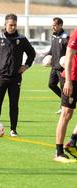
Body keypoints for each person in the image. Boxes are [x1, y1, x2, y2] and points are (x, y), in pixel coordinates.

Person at [0, 13, 35, 137]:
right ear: (5, 25)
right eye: (10, 25)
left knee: (14, 104)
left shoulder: (22, 39)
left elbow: (32, 53)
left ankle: (13, 129)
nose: (12, 27)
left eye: (15, 25)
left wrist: (26, 66)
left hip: (15, 77)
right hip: (1, 77)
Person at [54, 28, 77, 162]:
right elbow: (68, 57)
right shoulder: (76, 33)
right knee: (66, 114)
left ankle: (73, 141)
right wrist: (68, 81)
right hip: (72, 78)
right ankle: (58, 152)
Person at [46, 17, 69, 114]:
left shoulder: (66, 37)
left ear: (60, 25)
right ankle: (64, 101)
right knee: (51, 84)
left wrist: (66, 62)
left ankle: (63, 106)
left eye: (55, 25)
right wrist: (48, 56)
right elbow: (52, 49)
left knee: (64, 87)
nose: (53, 27)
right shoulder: (53, 36)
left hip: (62, 68)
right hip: (54, 66)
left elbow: (71, 51)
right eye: (52, 25)